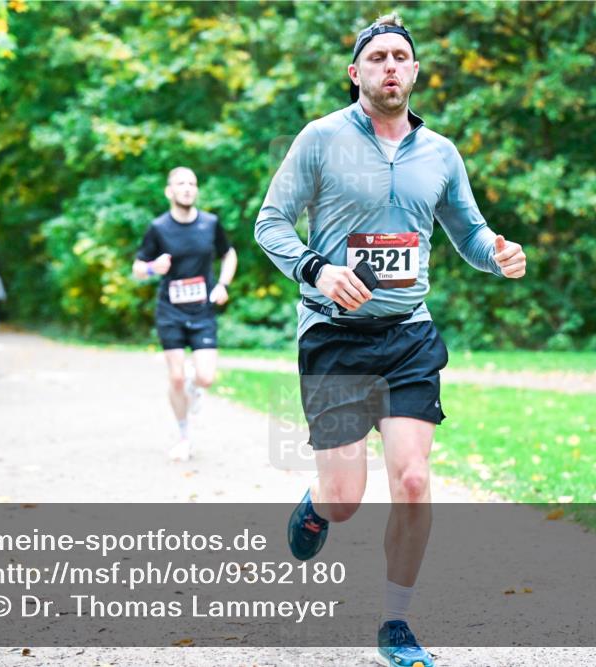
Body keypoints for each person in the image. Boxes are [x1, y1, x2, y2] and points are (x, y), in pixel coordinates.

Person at [254, 13, 527, 667]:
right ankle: (319, 506)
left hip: (408, 335)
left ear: (415, 70)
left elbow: (468, 231)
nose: (390, 66)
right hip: (334, 336)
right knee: (347, 497)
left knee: (411, 477)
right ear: (356, 74)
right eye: (377, 57)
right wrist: (318, 269)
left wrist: (499, 252)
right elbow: (270, 223)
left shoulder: (440, 153)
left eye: (401, 55)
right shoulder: (320, 140)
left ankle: (396, 624)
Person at [133, 167, 237, 462]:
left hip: (202, 310)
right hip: (170, 310)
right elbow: (137, 268)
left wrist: (222, 285)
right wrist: (154, 268)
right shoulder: (158, 228)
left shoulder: (210, 223)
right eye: (181, 183)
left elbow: (229, 254)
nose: (188, 188)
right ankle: (183, 437)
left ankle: (194, 387)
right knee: (176, 378)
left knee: (205, 378)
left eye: (192, 183)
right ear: (169, 191)